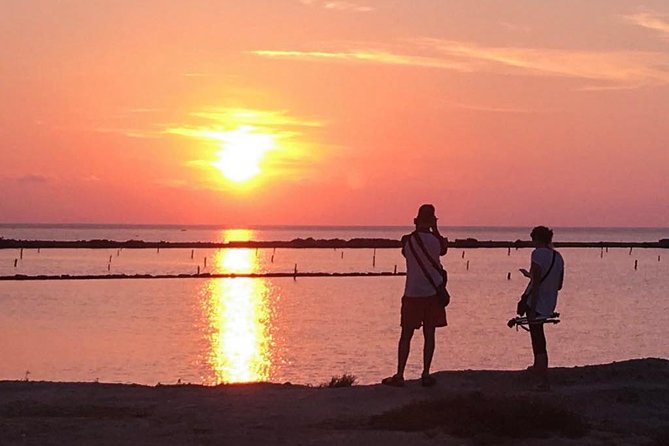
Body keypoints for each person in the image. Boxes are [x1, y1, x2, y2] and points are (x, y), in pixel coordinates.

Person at [382, 204, 448, 387]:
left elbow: (406, 253)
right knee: (429, 334)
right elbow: (444, 250)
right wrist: (435, 229)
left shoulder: (407, 241)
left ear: (416, 220)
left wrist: (419, 228)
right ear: (433, 220)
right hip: (433, 294)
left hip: (412, 294)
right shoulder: (436, 241)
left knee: (406, 335)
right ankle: (426, 373)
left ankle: (400, 374)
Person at [522, 226, 565, 391]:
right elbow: (559, 285)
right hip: (550, 303)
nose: (533, 243)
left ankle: (542, 377)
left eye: (533, 239)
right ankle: (537, 366)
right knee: (538, 335)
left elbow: (537, 282)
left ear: (538, 239)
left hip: (537, 302)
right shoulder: (558, 256)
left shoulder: (537, 254)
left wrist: (532, 307)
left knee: (537, 338)